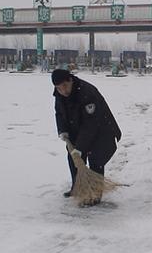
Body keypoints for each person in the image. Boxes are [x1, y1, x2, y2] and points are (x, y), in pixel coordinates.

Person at [52, 69, 121, 205]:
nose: (63, 91)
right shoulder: (59, 95)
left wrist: (80, 147)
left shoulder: (87, 93)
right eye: (58, 88)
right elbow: (59, 113)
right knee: (74, 159)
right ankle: (77, 188)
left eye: (65, 86)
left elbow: (91, 124)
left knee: (96, 160)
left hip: (101, 130)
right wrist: (63, 130)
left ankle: (95, 195)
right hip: (77, 130)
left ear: (70, 80)